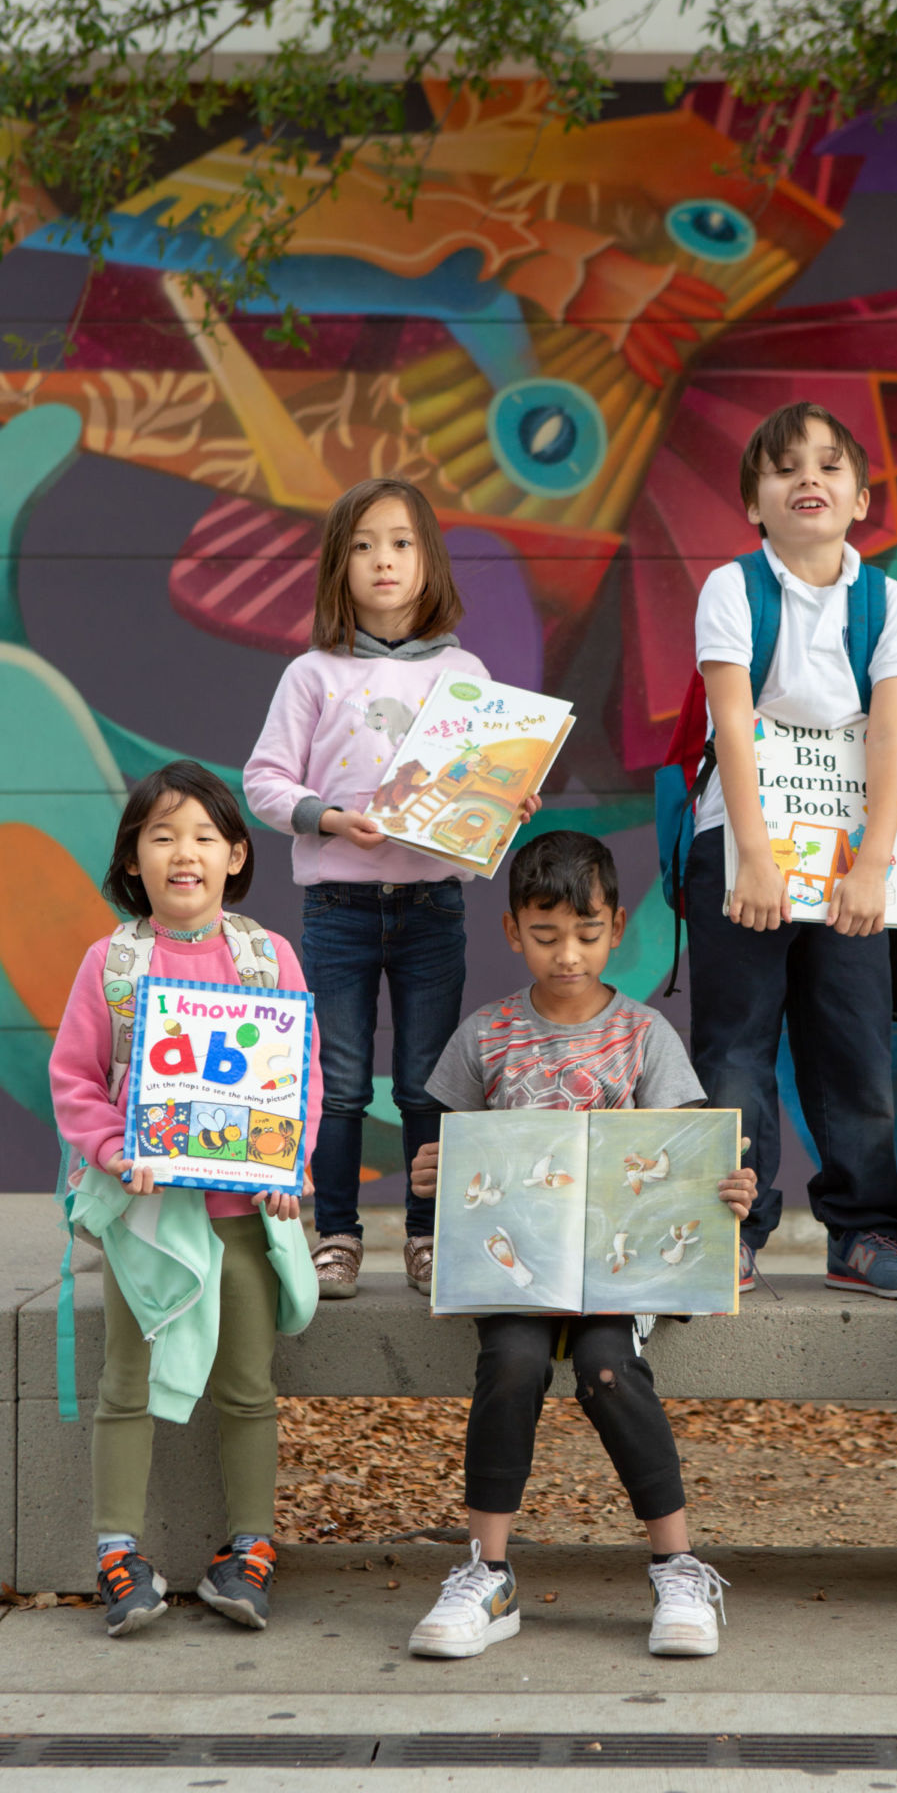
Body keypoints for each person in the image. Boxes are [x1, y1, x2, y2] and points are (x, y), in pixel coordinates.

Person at [406, 830, 756, 1660]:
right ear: (511, 931)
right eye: (545, 933)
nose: (567, 954)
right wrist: (435, 1172)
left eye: (587, 935)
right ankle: (487, 1575)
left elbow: (680, 1163)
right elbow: (454, 1154)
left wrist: (726, 1191)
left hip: (618, 1280)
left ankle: (677, 1564)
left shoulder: (645, 1037)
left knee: (606, 1365)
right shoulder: (484, 1037)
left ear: (618, 927)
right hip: (517, 1273)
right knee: (515, 1363)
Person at [244, 477, 538, 1300]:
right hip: (336, 910)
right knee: (335, 1084)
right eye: (364, 544)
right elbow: (263, 782)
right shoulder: (313, 673)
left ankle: (423, 1235)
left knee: (422, 1082)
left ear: (428, 560)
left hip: (431, 910)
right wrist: (331, 820)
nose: (383, 560)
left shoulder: (463, 670)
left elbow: (483, 795)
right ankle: (335, 1235)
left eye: (402, 543)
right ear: (339, 565)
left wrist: (507, 802)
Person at [48, 762, 321, 1637]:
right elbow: (75, 1080)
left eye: (204, 836)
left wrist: (289, 1164)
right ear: (133, 860)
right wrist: (114, 1148)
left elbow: (302, 1077)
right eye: (161, 837)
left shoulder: (264, 956)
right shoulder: (113, 962)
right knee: (126, 1381)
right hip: (146, 1221)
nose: (184, 854)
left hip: (241, 1215)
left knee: (247, 1386)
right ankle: (118, 1554)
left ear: (237, 854)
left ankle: (249, 1550)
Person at [684, 401, 897, 1298]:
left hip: (853, 856)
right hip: (743, 841)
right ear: (754, 501)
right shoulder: (730, 588)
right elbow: (734, 724)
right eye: (785, 468)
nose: (809, 480)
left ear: (861, 497)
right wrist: (754, 857)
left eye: (829, 466)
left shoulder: (889, 602)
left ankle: (863, 1233)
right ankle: (734, 1231)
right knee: (734, 1047)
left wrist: (870, 866)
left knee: (853, 1045)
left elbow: (893, 738)